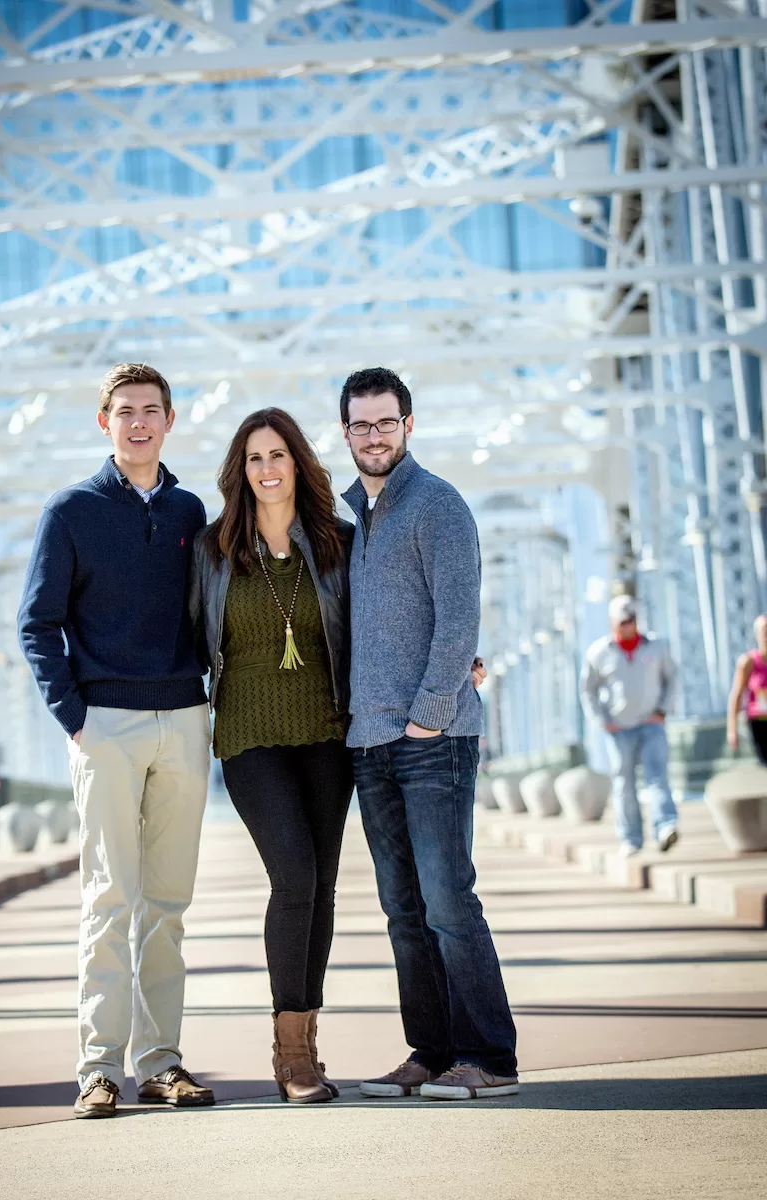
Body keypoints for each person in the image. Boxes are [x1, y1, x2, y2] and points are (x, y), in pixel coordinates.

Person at [18, 362, 214, 1119]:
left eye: (152, 411)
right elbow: (38, 623)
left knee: (168, 903)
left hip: (184, 720)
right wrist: (76, 717)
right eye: (125, 411)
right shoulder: (70, 511)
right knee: (110, 899)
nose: (139, 422)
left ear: (170, 421)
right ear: (105, 423)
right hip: (106, 725)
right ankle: (97, 1069)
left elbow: (213, 612)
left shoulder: (192, 511)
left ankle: (161, 1063)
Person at [339, 366, 519, 1103]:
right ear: (345, 432)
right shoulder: (356, 521)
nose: (374, 436)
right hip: (369, 742)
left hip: (430, 740)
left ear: (408, 425)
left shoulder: (437, 505)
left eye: (386, 422)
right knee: (403, 910)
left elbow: (459, 618)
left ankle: (489, 1058)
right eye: (360, 424)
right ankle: (433, 1050)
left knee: (448, 902)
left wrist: (431, 713)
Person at [190, 408, 355, 1104]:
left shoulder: (338, 542)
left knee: (323, 886)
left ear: (298, 463)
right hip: (249, 736)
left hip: (327, 733)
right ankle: (290, 1055)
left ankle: (308, 1039)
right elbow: (181, 634)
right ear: (241, 470)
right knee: (293, 875)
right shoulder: (214, 548)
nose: (266, 469)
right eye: (253, 458)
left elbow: (380, 621)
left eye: (277, 454)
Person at [581, 594, 679, 856]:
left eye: (632, 620)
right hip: (619, 730)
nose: (628, 626)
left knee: (657, 776)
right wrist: (602, 721)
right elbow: (588, 690)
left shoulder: (657, 647)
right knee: (624, 783)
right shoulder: (599, 652)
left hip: (651, 724)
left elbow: (672, 678)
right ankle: (631, 838)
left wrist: (663, 711)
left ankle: (665, 827)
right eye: (623, 621)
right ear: (612, 622)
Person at [727, 615, 767, 765]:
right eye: (764, 631)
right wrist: (732, 729)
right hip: (759, 721)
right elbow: (737, 694)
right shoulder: (748, 662)